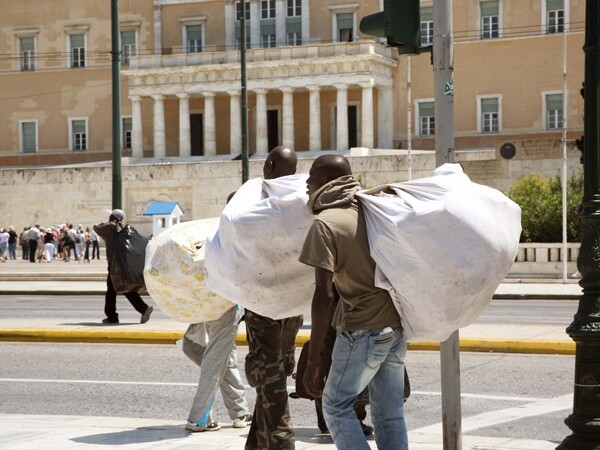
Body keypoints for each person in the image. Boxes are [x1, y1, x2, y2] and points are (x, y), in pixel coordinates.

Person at [299, 155, 407, 450]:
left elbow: (324, 297)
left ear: (325, 182)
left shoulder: (325, 224)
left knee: (334, 407)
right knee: (390, 413)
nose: (307, 184)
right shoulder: (373, 210)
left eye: (311, 177)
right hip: (394, 327)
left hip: (361, 329)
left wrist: (313, 360)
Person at [244, 146, 303, 450]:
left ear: (267, 165)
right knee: (273, 378)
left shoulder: (256, 202)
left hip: (263, 304)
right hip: (292, 305)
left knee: (271, 381)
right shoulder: (302, 202)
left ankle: (282, 444)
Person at [182, 306, 252, 433]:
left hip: (211, 304)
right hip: (225, 305)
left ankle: (240, 413)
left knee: (226, 355)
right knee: (215, 360)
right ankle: (198, 418)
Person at [94, 209, 153, 325]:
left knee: (112, 291)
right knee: (124, 288)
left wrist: (108, 222)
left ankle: (112, 316)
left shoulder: (110, 228)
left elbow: (97, 228)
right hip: (123, 265)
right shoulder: (124, 229)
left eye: (110, 216)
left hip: (115, 266)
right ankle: (142, 309)